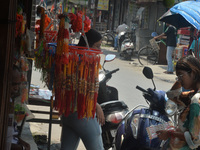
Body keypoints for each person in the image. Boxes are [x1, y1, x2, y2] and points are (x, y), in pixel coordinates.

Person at [60, 29, 105, 150]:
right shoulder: (83, 63)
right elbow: (81, 90)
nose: (99, 50)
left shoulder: (72, 58)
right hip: (81, 114)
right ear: (87, 45)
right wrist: (96, 105)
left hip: (68, 113)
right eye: (97, 46)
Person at [156, 55, 200, 149]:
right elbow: (172, 96)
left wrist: (169, 133)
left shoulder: (197, 99)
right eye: (177, 77)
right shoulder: (191, 94)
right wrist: (181, 78)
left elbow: (194, 139)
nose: (179, 80)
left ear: (193, 73)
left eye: (180, 75)